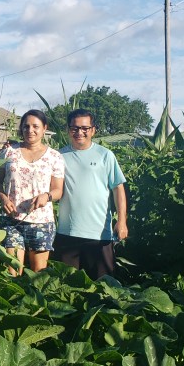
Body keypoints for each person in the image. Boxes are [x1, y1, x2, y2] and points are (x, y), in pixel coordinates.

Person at [53, 109, 129, 279]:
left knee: (104, 287)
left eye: (85, 128)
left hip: (99, 233)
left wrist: (122, 221)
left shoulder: (105, 155)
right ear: (68, 129)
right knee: (66, 288)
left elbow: (118, 188)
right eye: (75, 128)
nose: (79, 132)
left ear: (93, 130)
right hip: (67, 233)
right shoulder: (58, 156)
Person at [0, 109, 65, 275]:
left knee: (38, 274)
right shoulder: (9, 152)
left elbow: (58, 190)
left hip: (41, 222)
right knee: (12, 272)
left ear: (44, 128)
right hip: (12, 220)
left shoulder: (54, 157)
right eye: (26, 126)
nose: (30, 130)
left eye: (35, 126)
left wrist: (46, 196)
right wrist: (3, 198)